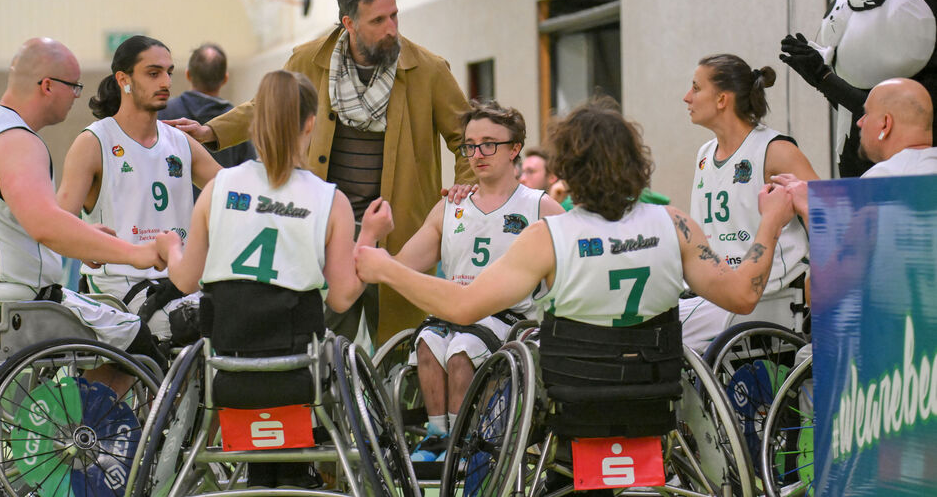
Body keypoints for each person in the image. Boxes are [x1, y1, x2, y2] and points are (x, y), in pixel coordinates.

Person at [355, 99, 796, 488]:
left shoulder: (549, 236)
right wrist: (771, 222)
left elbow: (461, 305)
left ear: (565, 167)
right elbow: (742, 295)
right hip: (652, 393)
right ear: (636, 161)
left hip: (575, 398)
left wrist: (385, 268)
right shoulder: (674, 224)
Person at [165, 0, 475, 345]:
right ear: (349, 23)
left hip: (399, 233)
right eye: (378, 20)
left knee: (403, 346)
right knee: (322, 346)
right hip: (327, 230)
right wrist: (212, 132)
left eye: (394, 15)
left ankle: (398, 405)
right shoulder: (310, 59)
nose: (391, 28)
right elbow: (266, 105)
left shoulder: (429, 70)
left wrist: (465, 187)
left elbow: (466, 137)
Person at [156, 69, 393, 488]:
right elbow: (341, 299)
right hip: (297, 370)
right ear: (309, 124)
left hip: (226, 364)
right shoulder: (329, 199)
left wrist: (169, 246)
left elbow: (187, 279)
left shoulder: (219, 187)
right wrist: (371, 236)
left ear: (256, 123)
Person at [0, 37, 164, 364]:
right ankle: (108, 417)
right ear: (48, 86)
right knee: (137, 338)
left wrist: (85, 239)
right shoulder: (17, 141)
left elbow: (15, 218)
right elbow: (46, 225)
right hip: (6, 303)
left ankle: (96, 412)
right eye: (74, 87)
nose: (76, 97)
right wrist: (137, 254)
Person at [391, 100, 563, 461]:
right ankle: (437, 437)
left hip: (509, 321)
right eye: (469, 145)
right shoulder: (450, 206)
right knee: (426, 342)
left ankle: (465, 445)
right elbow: (402, 266)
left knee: (460, 350)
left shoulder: (539, 206)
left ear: (515, 148)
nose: (477, 153)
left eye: (489, 143)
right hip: (453, 314)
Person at [56, 35, 222, 342]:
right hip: (118, 288)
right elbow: (58, 222)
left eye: (169, 72)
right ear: (124, 80)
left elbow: (231, 193)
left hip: (179, 283)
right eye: (153, 72)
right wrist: (85, 241)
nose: (166, 82)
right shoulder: (94, 142)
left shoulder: (179, 140)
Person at [679, 54, 818, 353]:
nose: (686, 97)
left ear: (721, 100)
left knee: (667, 339)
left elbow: (826, 213)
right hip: (714, 290)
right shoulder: (705, 153)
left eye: (695, 88)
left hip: (766, 295)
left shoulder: (775, 149)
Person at [773, 77, 937, 225]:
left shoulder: (883, 179)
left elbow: (845, 257)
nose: (859, 122)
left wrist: (809, 207)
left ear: (885, 124)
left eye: (866, 113)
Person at [157, 42, 255, 195]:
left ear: (188, 74)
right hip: (220, 211)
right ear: (225, 79)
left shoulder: (162, 114)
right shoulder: (238, 125)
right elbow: (248, 177)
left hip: (173, 213)